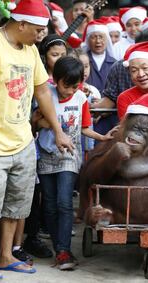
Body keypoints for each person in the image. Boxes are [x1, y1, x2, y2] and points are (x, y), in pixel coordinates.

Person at [0, 0, 74, 280]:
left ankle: (6, 255)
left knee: (16, 205)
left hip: (23, 142)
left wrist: (59, 130)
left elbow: (42, 92)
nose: (41, 36)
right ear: (22, 23)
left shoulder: (29, 51)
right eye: (38, 30)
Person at [35, 56, 114, 270]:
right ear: (56, 79)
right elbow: (34, 121)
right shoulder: (45, 94)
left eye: (74, 86)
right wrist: (49, 125)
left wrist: (103, 138)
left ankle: (63, 250)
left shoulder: (80, 98)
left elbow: (85, 127)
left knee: (64, 202)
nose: (69, 91)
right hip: (46, 154)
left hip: (69, 156)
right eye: (65, 85)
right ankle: (60, 248)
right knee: (49, 205)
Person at [92, 28, 148, 135]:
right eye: (134, 70)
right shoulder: (119, 68)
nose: (140, 74)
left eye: (145, 68)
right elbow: (111, 99)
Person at [83, 19, 115, 92]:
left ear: (107, 39)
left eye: (101, 37)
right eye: (94, 37)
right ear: (88, 40)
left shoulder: (114, 63)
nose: (98, 41)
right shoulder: (81, 61)